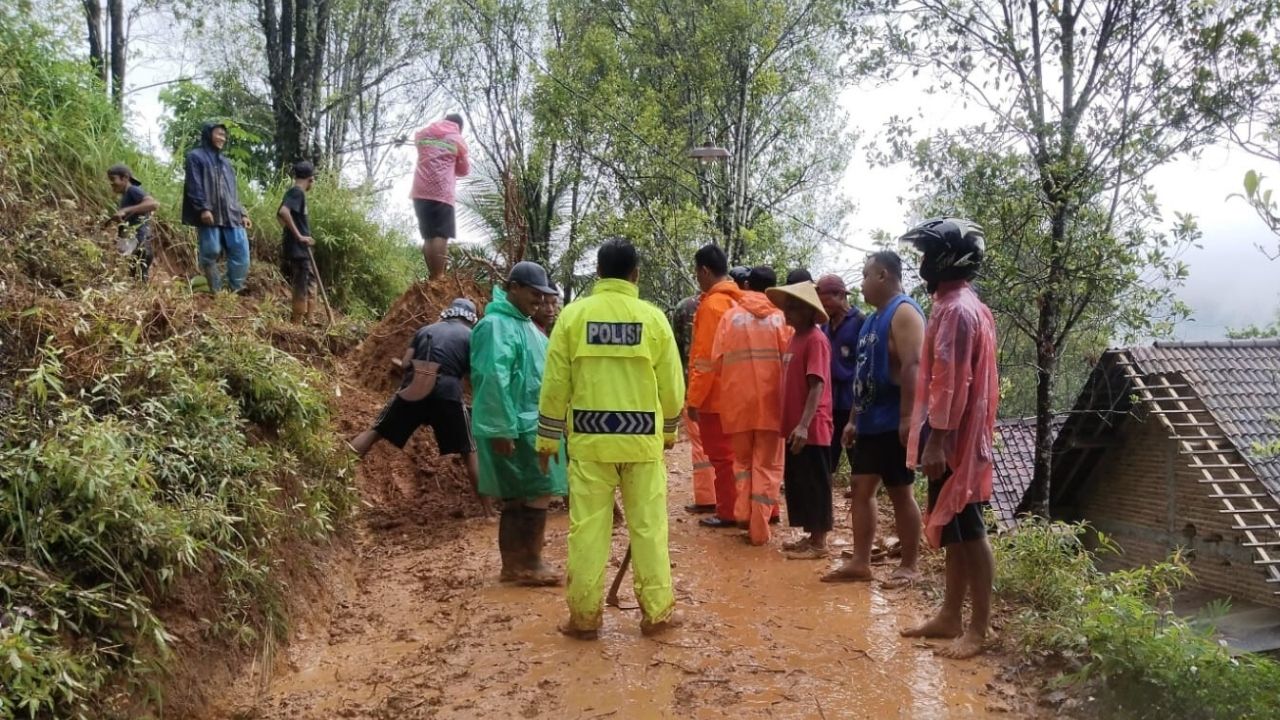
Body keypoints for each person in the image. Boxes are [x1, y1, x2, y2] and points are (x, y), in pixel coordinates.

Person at [536, 238, 685, 640]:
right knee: (649, 528)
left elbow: (554, 384)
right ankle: (657, 615)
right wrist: (668, 430)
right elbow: (672, 385)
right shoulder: (653, 320)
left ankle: (584, 619)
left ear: (598, 273)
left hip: (589, 445)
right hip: (641, 445)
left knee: (587, 532)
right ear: (635, 274)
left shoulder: (572, 318)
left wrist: (548, 440)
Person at [897, 218, 999, 660]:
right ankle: (950, 615)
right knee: (956, 532)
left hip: (955, 443)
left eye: (927, 253)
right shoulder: (958, 304)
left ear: (946, 257)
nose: (922, 262)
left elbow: (951, 383)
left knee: (971, 533)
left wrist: (937, 441)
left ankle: (977, 629)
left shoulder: (958, 310)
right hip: (956, 438)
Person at [822, 252, 925, 588]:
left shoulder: (905, 312)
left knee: (900, 492)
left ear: (883, 275)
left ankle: (909, 565)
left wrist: (909, 417)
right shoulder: (870, 321)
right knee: (860, 488)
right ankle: (861, 561)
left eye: (865, 275)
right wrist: (853, 419)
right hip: (868, 421)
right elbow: (861, 373)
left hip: (894, 421)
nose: (861, 283)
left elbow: (914, 365)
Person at [471, 262, 568, 586]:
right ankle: (527, 562)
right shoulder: (497, 325)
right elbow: (493, 378)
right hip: (517, 427)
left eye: (544, 295)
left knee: (524, 494)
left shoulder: (523, 324)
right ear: (513, 288)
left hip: (531, 425)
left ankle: (518, 564)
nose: (540, 301)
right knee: (535, 493)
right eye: (534, 294)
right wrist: (500, 428)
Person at [348, 299, 489, 514]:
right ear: (470, 319)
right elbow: (474, 373)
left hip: (414, 388)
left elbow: (404, 365)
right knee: (469, 450)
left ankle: (334, 473)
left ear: (448, 313)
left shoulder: (424, 330)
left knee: (375, 431)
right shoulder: (471, 336)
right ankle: (488, 512)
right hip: (447, 393)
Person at [709, 266, 788, 544]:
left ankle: (743, 513)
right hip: (772, 406)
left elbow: (716, 361)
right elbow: (789, 363)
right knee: (766, 466)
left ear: (746, 285)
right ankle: (759, 528)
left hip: (736, 405)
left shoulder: (730, 317)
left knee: (742, 463)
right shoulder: (781, 319)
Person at [765, 281, 834, 559]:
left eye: (793, 307)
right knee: (800, 481)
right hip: (796, 427)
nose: (787, 312)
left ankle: (820, 543)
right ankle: (810, 536)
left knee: (815, 482)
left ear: (808, 311)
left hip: (812, 428)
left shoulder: (816, 340)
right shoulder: (795, 337)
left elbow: (817, 385)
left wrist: (804, 424)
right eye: (787, 306)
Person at [686, 244, 744, 529]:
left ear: (705, 271)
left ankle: (729, 511)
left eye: (698, 273)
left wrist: (694, 400)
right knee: (739, 458)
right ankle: (745, 509)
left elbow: (705, 361)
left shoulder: (712, 306)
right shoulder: (740, 301)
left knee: (721, 459)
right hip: (740, 394)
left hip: (716, 398)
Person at [183, 121, 252, 293]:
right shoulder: (195, 156)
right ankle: (216, 290)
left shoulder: (226, 163)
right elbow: (194, 185)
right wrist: (203, 208)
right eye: (218, 134)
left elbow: (232, 190)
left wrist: (243, 213)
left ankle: (235, 289)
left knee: (241, 252)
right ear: (208, 134)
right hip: (210, 213)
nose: (222, 138)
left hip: (231, 213)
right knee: (211, 251)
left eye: (224, 134)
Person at [815, 274, 865, 480]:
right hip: (829, 404)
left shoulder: (860, 322)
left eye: (824, 298)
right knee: (827, 459)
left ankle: (861, 502)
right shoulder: (824, 326)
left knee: (859, 461)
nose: (821, 305)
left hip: (853, 404)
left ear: (839, 295)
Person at [671, 295, 716, 514]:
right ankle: (733, 500)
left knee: (701, 445)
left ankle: (707, 498)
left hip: (694, 384)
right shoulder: (734, 304)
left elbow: (677, 351)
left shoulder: (684, 307)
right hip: (727, 387)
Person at [410, 113, 469, 281]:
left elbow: (419, 145)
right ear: (459, 126)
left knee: (428, 235)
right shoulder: (456, 139)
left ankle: (432, 275)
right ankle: (439, 276)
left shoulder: (424, 133)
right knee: (440, 234)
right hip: (441, 192)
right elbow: (464, 170)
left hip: (420, 192)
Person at [277, 161, 316, 324]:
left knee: (310, 279)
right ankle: (297, 322)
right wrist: (299, 236)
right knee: (301, 282)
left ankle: (310, 317)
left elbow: (280, 218)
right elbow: (283, 212)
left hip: (302, 249)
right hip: (298, 249)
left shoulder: (294, 193)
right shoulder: (297, 192)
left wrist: (293, 232)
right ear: (311, 179)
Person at [105, 163, 158, 281]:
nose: (111, 183)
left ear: (125, 178)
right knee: (135, 279)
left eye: (113, 179)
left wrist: (126, 210)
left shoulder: (133, 190)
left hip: (140, 242)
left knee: (138, 279)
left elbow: (153, 204)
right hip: (135, 243)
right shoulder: (126, 195)